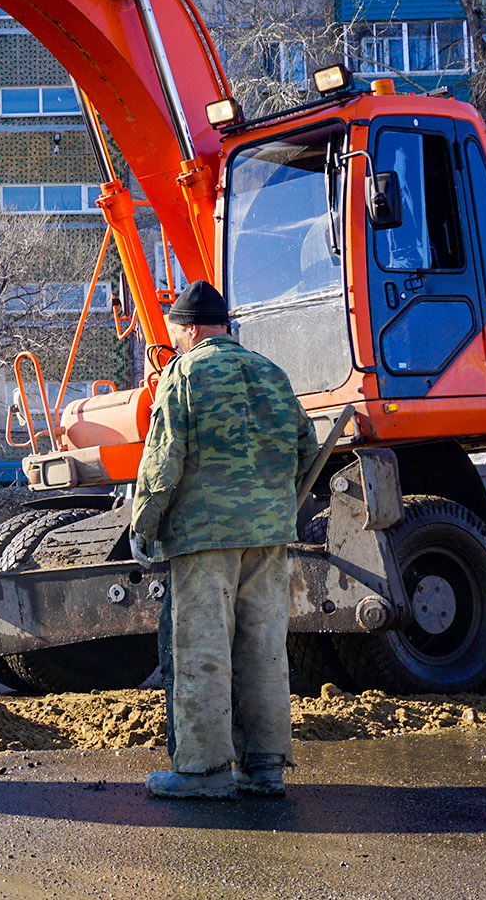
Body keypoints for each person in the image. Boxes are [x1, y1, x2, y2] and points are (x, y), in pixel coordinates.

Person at [130, 281, 318, 800]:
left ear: (190, 329)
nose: (177, 344)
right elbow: (307, 447)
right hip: (268, 534)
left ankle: (202, 771)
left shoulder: (184, 374)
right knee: (263, 647)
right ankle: (263, 767)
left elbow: (163, 460)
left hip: (204, 535)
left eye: (176, 334)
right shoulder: (270, 372)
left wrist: (143, 525)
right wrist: (271, 501)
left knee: (202, 648)